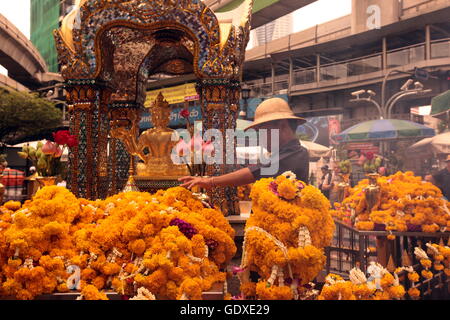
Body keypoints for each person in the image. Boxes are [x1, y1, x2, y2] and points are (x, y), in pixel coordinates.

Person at [179, 98, 309, 189]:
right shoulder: (282, 153)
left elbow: (253, 172)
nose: (261, 137)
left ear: (282, 126)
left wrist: (210, 181)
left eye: (262, 131)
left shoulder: (296, 153)